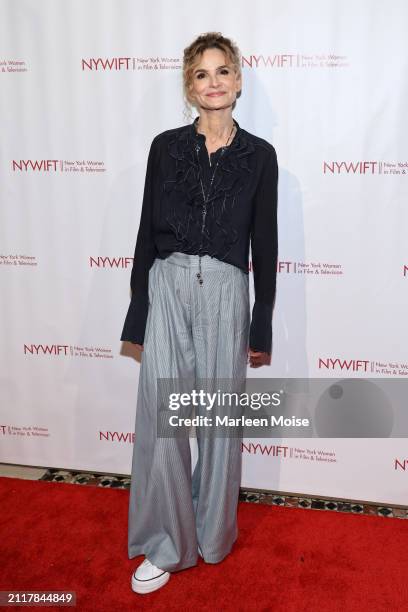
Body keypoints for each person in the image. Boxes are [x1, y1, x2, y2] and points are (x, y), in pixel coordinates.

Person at [120, 32, 279, 594]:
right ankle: (167, 542)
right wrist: (137, 309)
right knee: (163, 421)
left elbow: (267, 240)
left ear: (238, 80)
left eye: (222, 71)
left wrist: (261, 321)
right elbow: (144, 232)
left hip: (228, 291)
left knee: (217, 421)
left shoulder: (261, 156)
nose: (213, 82)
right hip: (167, 283)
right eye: (200, 74)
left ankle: (212, 536)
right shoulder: (165, 147)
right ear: (189, 87)